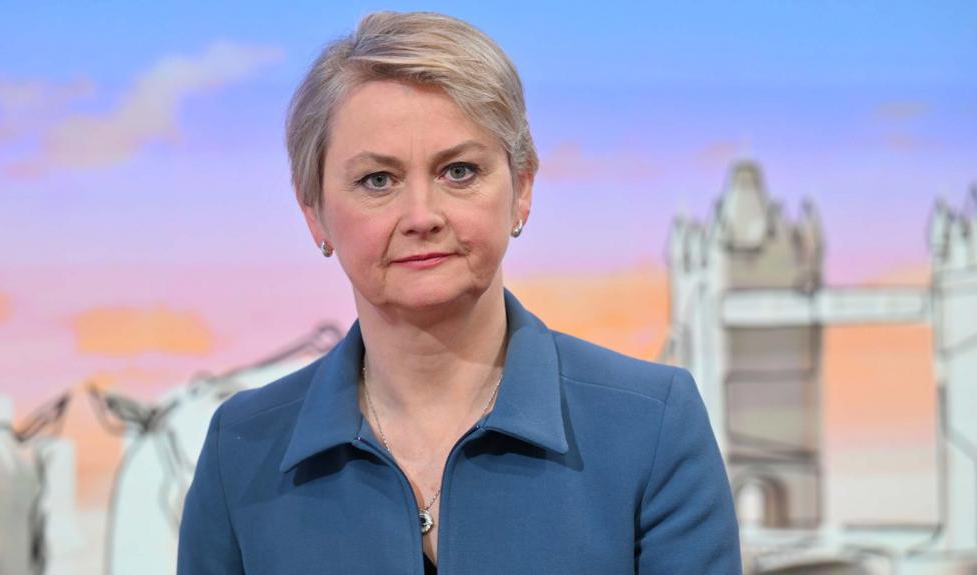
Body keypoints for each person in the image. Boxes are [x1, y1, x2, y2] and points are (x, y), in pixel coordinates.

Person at [178, 10, 740, 574]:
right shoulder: (240, 448)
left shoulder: (651, 425)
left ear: (522, 188)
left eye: (459, 171)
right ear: (313, 211)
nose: (421, 216)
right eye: (378, 180)